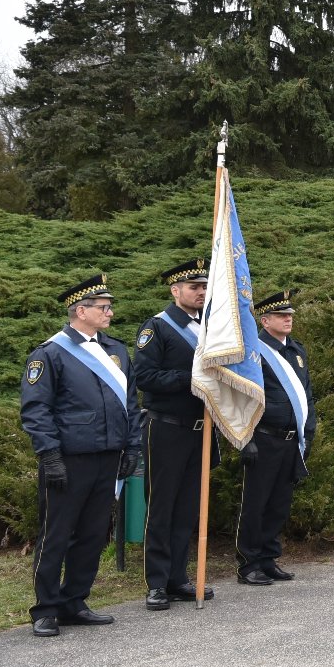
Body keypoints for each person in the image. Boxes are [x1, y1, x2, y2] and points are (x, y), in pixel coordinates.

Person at [20, 274, 141, 637]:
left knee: (92, 534)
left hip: (108, 457)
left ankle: (75, 601)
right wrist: (50, 455)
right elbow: (36, 410)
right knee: (56, 534)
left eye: (109, 306)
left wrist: (132, 445)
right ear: (81, 311)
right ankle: (45, 608)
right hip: (68, 460)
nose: (110, 312)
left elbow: (131, 405)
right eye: (103, 307)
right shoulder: (50, 353)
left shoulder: (117, 351)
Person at [132, 259, 215, 610]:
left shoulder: (212, 329)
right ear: (175, 291)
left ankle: (179, 577)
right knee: (162, 506)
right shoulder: (158, 328)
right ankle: (156, 582)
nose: (200, 292)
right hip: (166, 427)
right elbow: (144, 378)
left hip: (201, 430)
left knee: (187, 508)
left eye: (203, 287)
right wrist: (189, 379)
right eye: (193, 287)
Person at [236, 290, 316, 585]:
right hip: (264, 438)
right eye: (282, 315)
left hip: (291, 440)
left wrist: (308, 433)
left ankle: (268, 558)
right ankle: (248, 563)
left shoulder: (296, 350)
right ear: (265, 320)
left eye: (290, 315)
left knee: (279, 503)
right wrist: (246, 439)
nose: (288, 319)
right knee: (256, 503)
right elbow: (242, 397)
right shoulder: (253, 351)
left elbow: (306, 395)